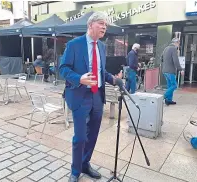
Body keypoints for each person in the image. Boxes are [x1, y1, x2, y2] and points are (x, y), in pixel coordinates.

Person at [59, 12, 123, 182]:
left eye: (106, 25)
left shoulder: (101, 46)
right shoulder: (74, 45)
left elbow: (102, 71)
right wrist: (79, 78)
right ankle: (75, 170)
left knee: (93, 135)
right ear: (90, 25)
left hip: (97, 97)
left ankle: (85, 163)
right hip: (80, 96)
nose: (104, 27)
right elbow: (63, 68)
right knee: (80, 137)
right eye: (101, 23)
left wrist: (114, 79)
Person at [162, 38, 184, 105]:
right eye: (178, 43)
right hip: (170, 71)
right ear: (176, 43)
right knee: (174, 85)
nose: (178, 45)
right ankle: (163, 96)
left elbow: (161, 59)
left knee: (170, 85)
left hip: (165, 70)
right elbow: (176, 61)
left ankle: (168, 100)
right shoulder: (173, 49)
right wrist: (180, 69)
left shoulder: (166, 48)